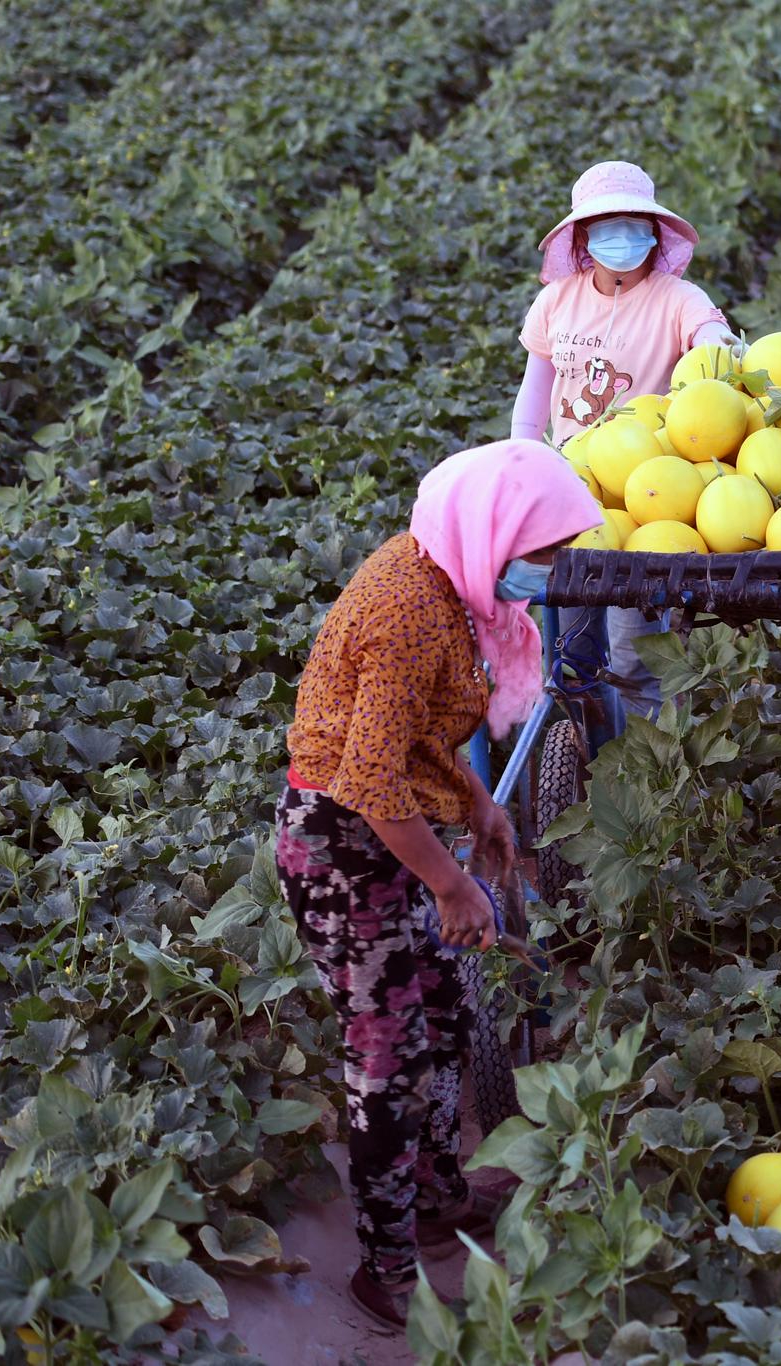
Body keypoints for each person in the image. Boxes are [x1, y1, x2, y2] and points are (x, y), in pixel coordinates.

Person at [273, 440, 601, 1330]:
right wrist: (454, 885)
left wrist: (478, 807)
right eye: (544, 552)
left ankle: (437, 1197)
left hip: (397, 830)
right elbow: (371, 782)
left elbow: (419, 741)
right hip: (344, 847)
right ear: (495, 537)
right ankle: (383, 1267)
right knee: (386, 1050)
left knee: (450, 1010)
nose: (551, 570)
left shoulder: (447, 578)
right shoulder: (407, 613)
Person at [511, 159, 742, 717]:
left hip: (647, 492)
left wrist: (717, 344)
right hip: (571, 487)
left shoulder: (676, 298)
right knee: (570, 642)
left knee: (635, 647)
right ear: (584, 235)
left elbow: (708, 332)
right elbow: (534, 389)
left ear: (654, 230)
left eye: (633, 222)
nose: (621, 235)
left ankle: (649, 757)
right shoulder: (557, 301)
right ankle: (581, 748)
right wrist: (521, 455)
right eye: (606, 224)